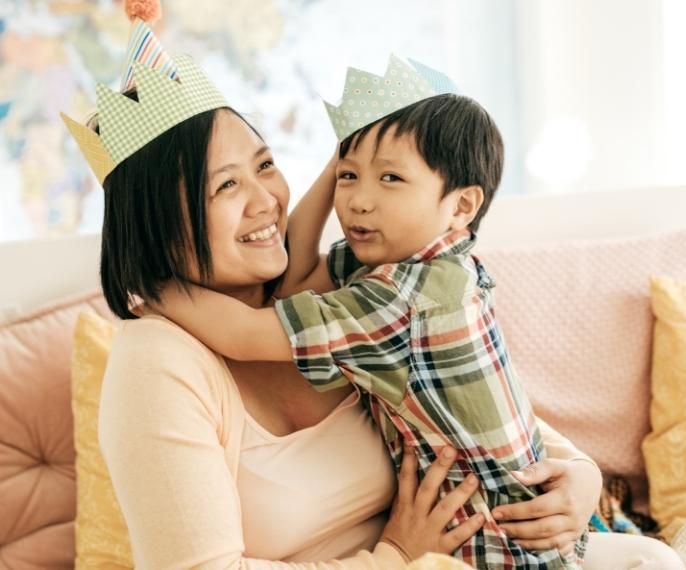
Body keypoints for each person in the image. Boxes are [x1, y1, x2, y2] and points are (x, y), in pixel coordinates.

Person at [64, 12, 684, 570]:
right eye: (226, 187)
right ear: (156, 223)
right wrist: (395, 556)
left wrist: (576, 475)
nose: (266, 202)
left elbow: (477, 402)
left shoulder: (350, 289)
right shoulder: (158, 361)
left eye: (266, 165)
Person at [156, 62, 582, 567]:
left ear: (462, 205)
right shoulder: (410, 262)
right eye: (349, 177)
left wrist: (153, 286)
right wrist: (340, 162)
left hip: (495, 547)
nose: (358, 200)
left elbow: (247, 333)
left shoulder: (402, 298)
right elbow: (293, 279)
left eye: (390, 178)